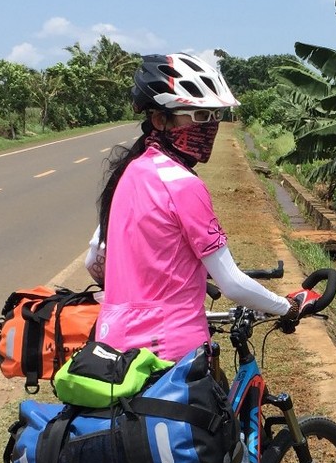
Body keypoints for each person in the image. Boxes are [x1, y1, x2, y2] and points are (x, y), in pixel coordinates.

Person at [85, 52, 313, 362]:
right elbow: (232, 284)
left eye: (215, 116)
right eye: (200, 116)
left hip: (113, 347)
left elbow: (93, 261)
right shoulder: (182, 184)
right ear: (160, 120)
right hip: (170, 352)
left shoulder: (130, 172)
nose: (210, 126)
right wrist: (289, 307)